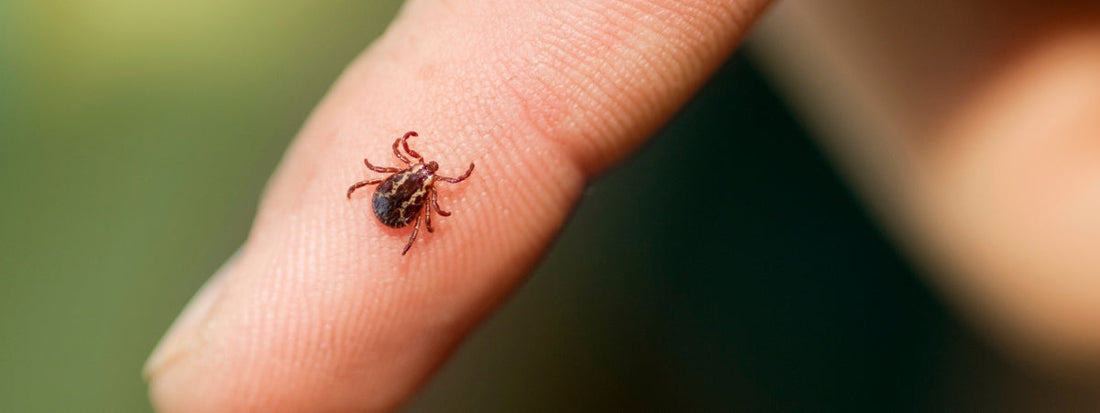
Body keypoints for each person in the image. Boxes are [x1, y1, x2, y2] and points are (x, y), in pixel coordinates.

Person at [144, 0, 1100, 411]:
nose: (414, 182)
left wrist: (396, 209)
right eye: (412, 182)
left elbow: (390, 189)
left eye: (410, 180)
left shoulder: (408, 185)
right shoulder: (420, 187)